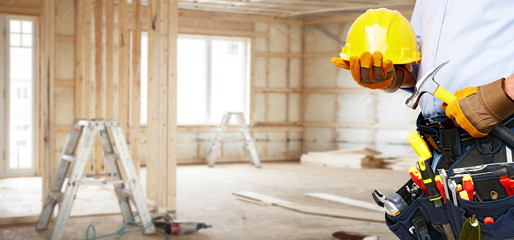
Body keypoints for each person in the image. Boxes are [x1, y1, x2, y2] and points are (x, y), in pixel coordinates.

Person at [332, 1, 514, 139]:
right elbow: (422, 60)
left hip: (503, 126)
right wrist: (395, 77)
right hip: (440, 138)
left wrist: (502, 95)